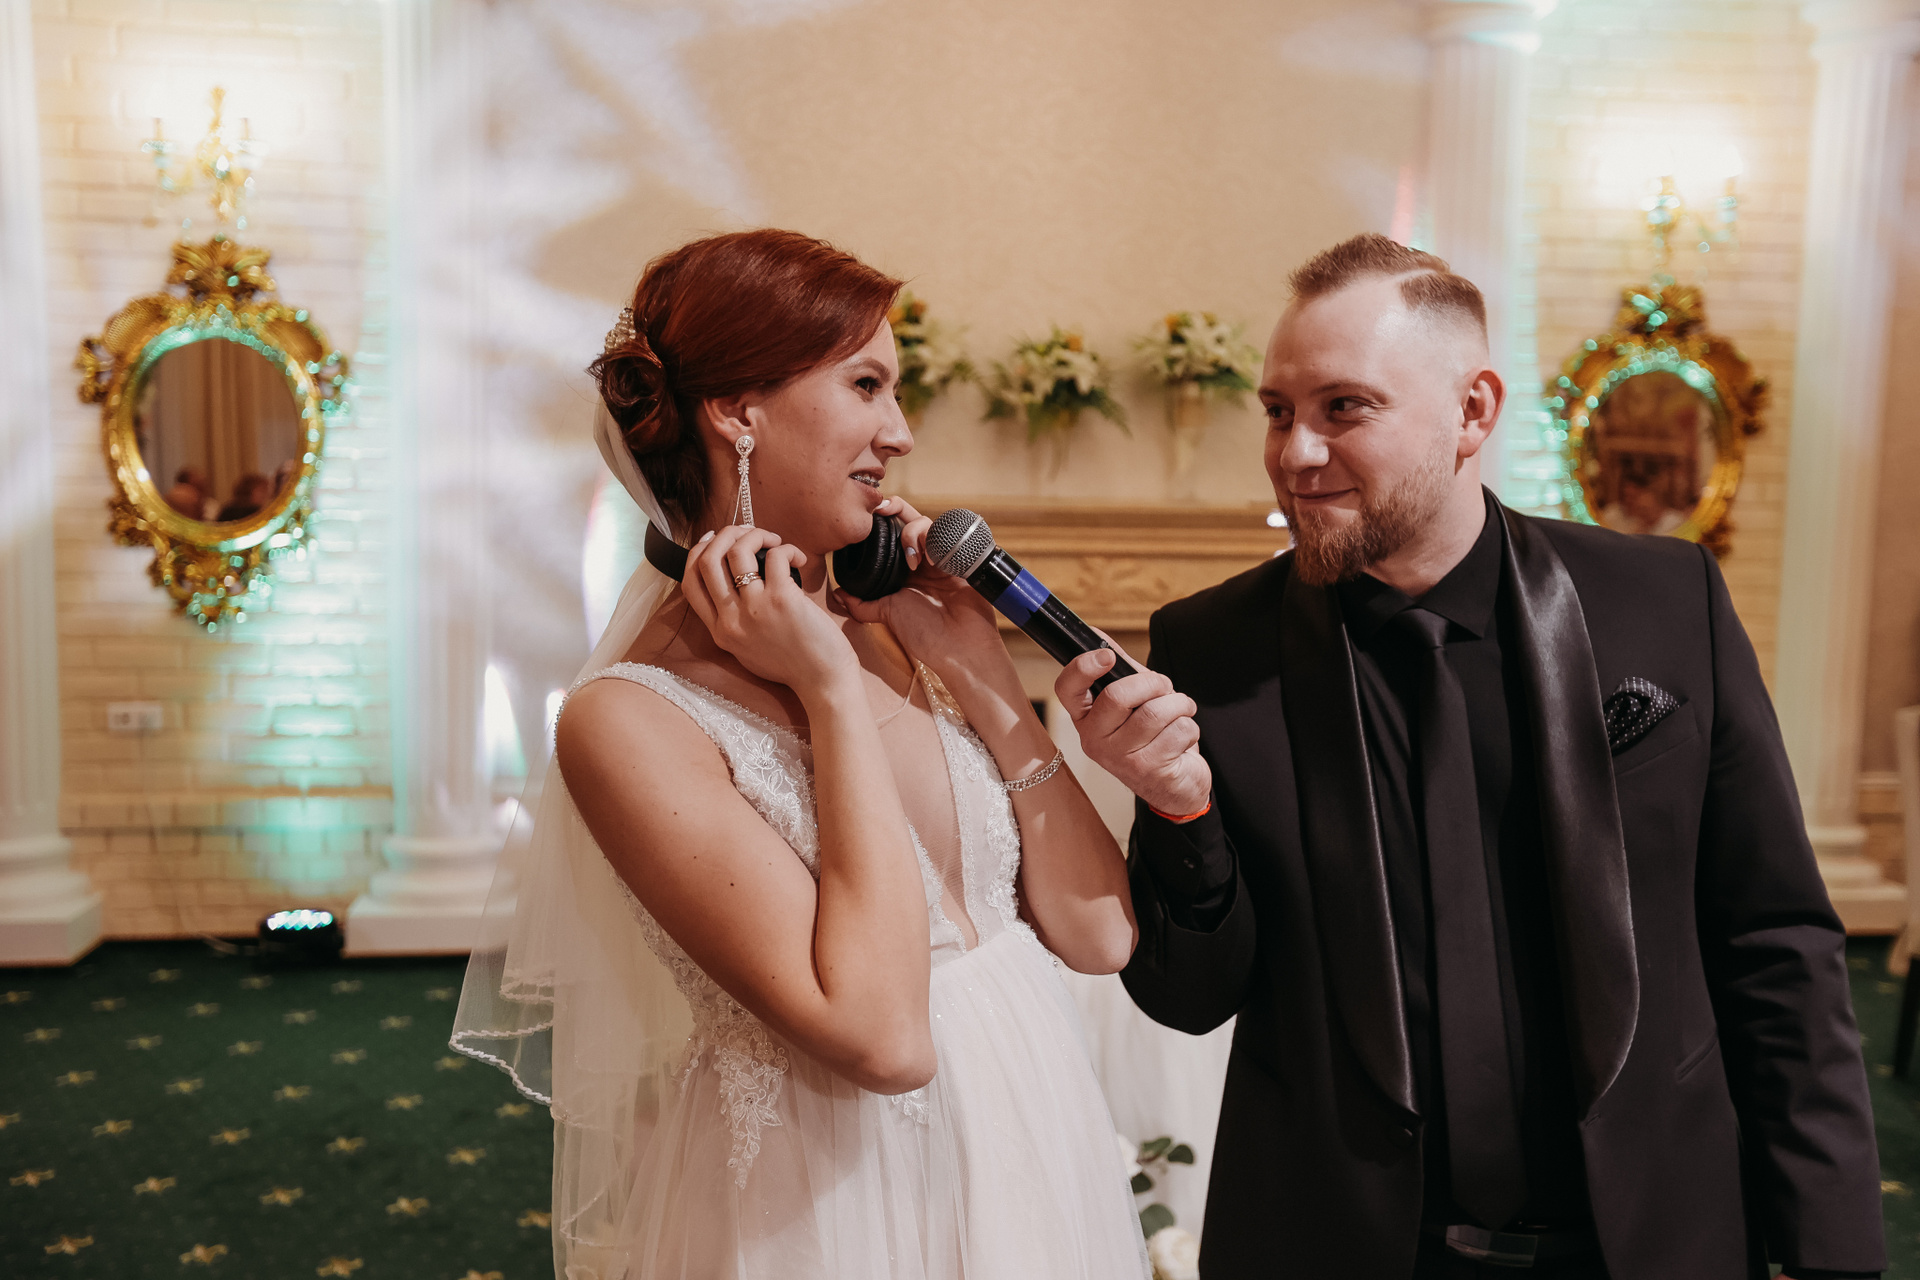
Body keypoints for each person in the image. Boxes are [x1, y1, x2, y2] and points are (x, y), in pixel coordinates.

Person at [1056, 233, 1884, 1280]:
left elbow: (1774, 941)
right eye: (1277, 410)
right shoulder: (1212, 648)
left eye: (1343, 408)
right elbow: (1190, 997)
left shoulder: (1664, 604)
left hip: (1647, 1238)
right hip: (1347, 1247)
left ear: (1473, 411)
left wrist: (1832, 1249)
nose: (1295, 452)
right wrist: (1180, 812)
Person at [452, 229, 1148, 1280]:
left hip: (1033, 1133)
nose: (899, 434)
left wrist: (986, 677)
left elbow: (1099, 936)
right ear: (739, 411)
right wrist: (828, 691)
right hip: (833, 1202)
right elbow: (885, 1039)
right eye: (866, 385)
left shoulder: (899, 625)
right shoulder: (628, 719)